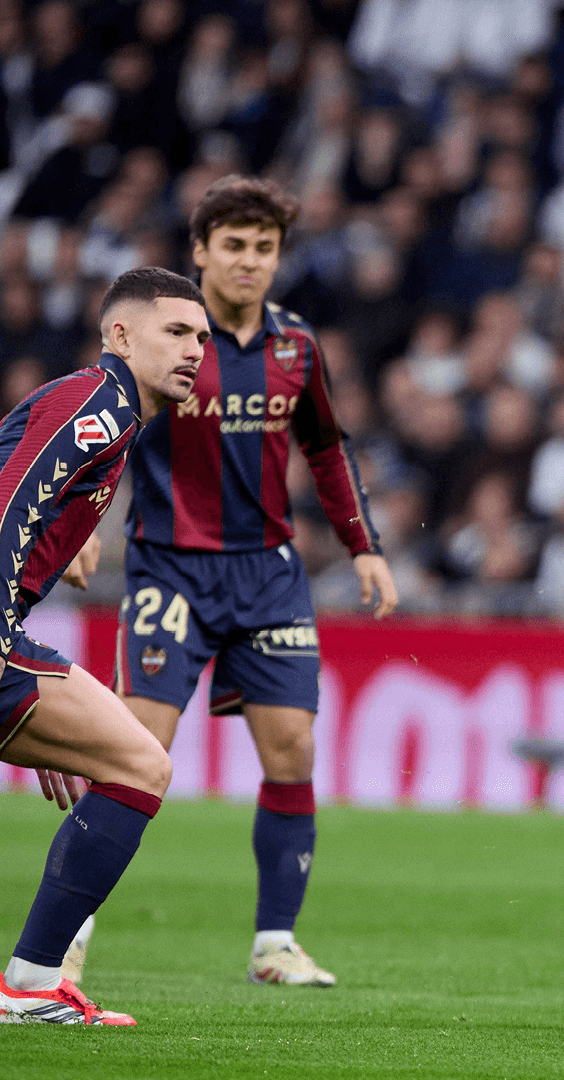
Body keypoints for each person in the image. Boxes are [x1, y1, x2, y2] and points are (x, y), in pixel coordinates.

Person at [66, 177, 398, 991]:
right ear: (201, 252)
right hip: (169, 568)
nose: (250, 261)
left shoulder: (296, 347)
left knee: (293, 751)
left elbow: (326, 447)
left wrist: (364, 545)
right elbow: (100, 432)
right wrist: (79, 524)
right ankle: (65, 937)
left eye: (264, 247)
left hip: (268, 576)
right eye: (234, 246)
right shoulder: (167, 341)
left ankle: (275, 945)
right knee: (132, 753)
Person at [0, 267, 208, 1024]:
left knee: (131, 761)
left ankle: (31, 983)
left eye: (202, 338)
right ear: (120, 335)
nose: (194, 351)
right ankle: (29, 984)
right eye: (176, 332)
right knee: (139, 764)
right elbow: (9, 506)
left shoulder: (109, 417)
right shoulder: (99, 403)